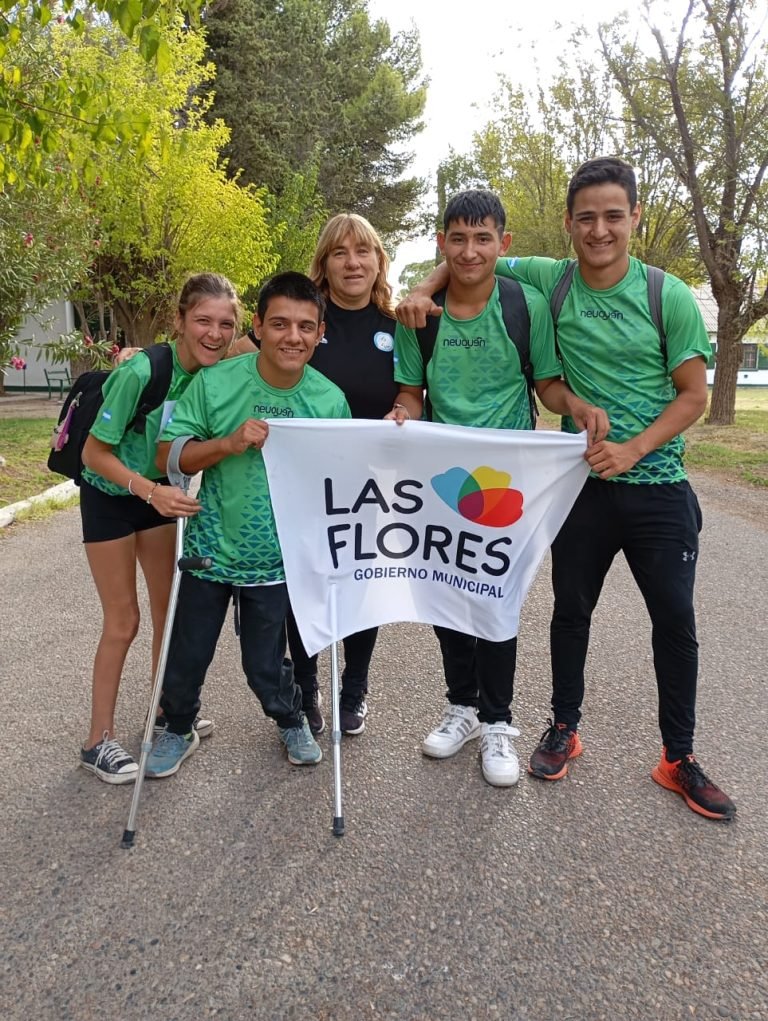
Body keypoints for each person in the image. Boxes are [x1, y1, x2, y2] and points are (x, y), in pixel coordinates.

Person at [397, 158, 736, 821]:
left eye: (615, 215)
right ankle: (561, 726)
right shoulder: (550, 281)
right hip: (578, 484)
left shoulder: (665, 294)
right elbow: (470, 260)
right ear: (568, 225)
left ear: (635, 216)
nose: (601, 230)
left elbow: (694, 395)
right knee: (569, 610)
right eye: (587, 217)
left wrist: (634, 447)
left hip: (658, 486)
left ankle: (680, 755)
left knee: (674, 619)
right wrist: (425, 280)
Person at [386, 188, 608, 788]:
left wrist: (577, 406)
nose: (469, 250)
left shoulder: (524, 304)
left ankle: (498, 722)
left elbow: (549, 386)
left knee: (494, 596)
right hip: (441, 480)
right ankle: (460, 708)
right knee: (445, 590)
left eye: (482, 238)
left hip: (507, 483)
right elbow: (411, 392)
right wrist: (402, 412)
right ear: (441, 243)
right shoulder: (418, 316)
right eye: (457, 238)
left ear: (502, 244)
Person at [145, 271, 352, 779]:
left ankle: (290, 716)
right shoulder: (215, 383)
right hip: (209, 552)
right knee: (187, 657)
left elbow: (345, 479)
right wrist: (227, 444)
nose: (292, 337)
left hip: (278, 561)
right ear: (258, 325)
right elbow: (167, 456)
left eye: (306, 327)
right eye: (279, 323)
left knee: (263, 665)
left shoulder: (329, 401)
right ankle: (179, 727)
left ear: (321, 332)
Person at [231, 213, 400, 739]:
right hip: (304, 486)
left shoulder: (399, 328)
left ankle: (356, 688)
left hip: (372, 481)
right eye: (340, 252)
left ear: (378, 261)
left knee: (360, 587)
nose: (353, 262)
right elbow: (230, 354)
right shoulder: (303, 320)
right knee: (304, 587)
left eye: (364, 251)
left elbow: (414, 393)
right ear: (323, 263)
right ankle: (306, 685)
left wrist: (405, 409)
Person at [78, 272, 240, 783]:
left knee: (168, 611)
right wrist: (149, 491)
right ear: (180, 321)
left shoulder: (216, 374)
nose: (214, 333)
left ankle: (166, 714)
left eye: (225, 324)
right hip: (112, 495)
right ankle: (97, 741)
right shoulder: (143, 370)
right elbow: (93, 452)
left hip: (159, 498)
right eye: (203, 321)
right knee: (123, 620)